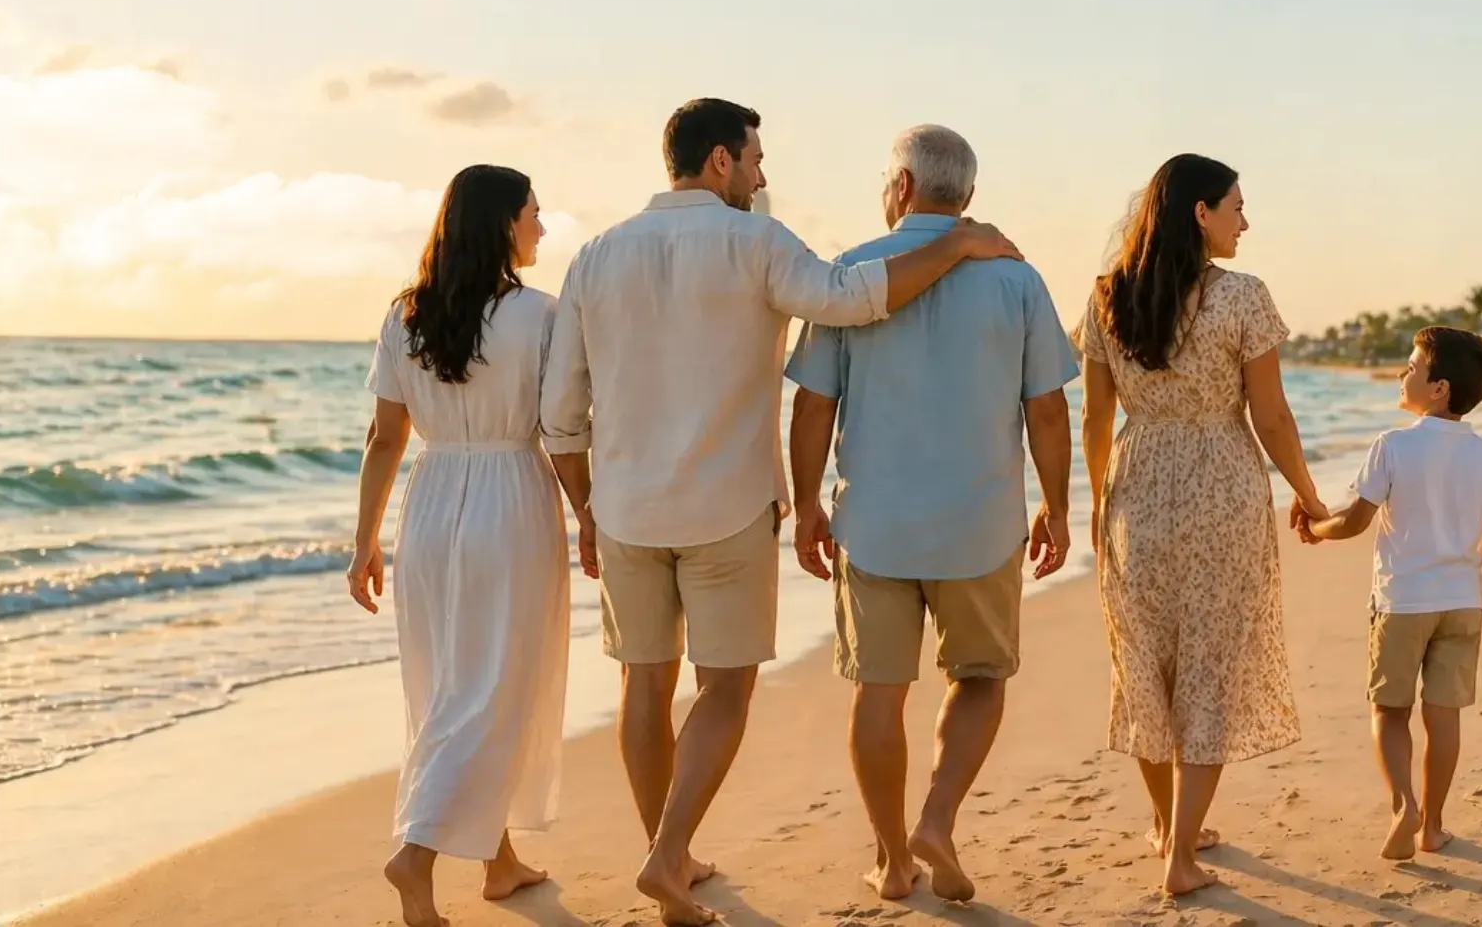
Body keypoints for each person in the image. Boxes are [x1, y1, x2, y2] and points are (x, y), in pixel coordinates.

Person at [539, 98, 1021, 926]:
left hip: (624, 508)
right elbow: (851, 298)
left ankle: (673, 855)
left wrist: (583, 504)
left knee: (642, 686)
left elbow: (559, 413)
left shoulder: (595, 255)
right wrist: (959, 242)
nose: (763, 175)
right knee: (723, 691)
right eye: (755, 159)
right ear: (720, 160)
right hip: (726, 506)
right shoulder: (755, 241)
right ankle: (666, 857)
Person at [786, 125, 1079, 905]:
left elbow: (813, 406)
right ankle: (937, 820)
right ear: (968, 198)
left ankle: (890, 861)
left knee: (877, 691)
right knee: (979, 676)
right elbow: (1048, 413)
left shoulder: (847, 274)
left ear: (902, 187)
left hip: (874, 524)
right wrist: (1056, 507)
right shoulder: (1016, 280)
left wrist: (808, 502)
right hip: (979, 524)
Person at [1078, 154, 1330, 897]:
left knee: (1146, 669)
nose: (1244, 222)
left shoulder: (1105, 296)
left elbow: (1095, 416)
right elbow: (1271, 415)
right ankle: (1179, 855)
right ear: (1199, 212)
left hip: (1138, 486)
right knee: (1209, 671)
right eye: (1236, 207)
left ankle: (1166, 827)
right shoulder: (1242, 298)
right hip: (1220, 481)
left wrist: (1094, 502)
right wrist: (1309, 496)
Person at [347, 166, 570, 927]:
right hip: (510, 497)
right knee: (496, 684)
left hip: (432, 504)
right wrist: (594, 516)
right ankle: (415, 853)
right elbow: (566, 430)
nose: (542, 227)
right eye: (534, 214)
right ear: (503, 222)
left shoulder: (405, 313)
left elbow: (384, 437)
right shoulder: (540, 315)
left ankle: (499, 861)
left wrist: (364, 542)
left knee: (451, 681)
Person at [1299, 326, 1482, 861]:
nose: (1403, 374)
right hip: (1463, 602)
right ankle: (1434, 826)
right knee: (1444, 716)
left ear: (1439, 387)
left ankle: (1404, 805)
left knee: (1389, 710)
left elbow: (1354, 521)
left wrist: (1315, 525)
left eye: (1412, 367)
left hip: (1402, 602)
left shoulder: (1392, 446)